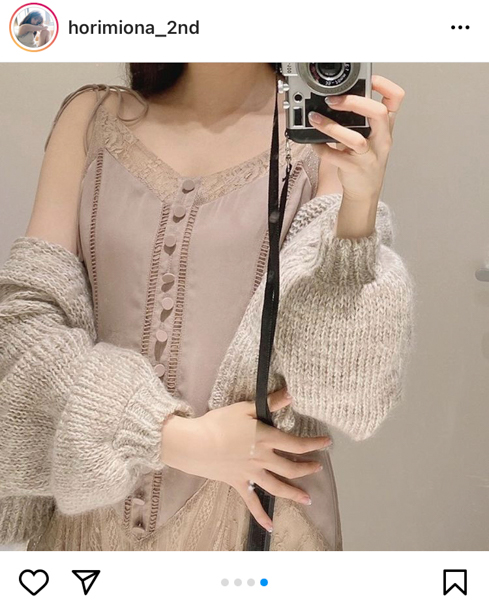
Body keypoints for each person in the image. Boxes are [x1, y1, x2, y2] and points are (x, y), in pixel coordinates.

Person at [0, 63, 414, 550]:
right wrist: (170, 437)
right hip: (90, 523)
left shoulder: (320, 140)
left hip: (260, 524)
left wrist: (359, 210)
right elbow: (23, 331)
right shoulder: (92, 119)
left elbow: (343, 392)